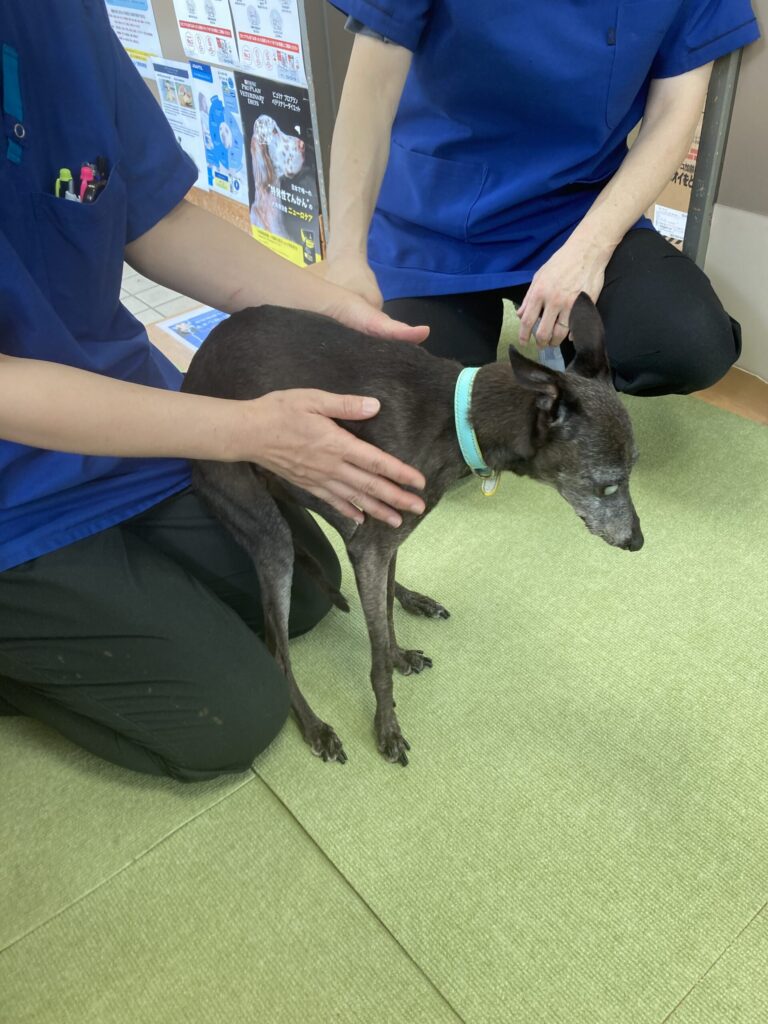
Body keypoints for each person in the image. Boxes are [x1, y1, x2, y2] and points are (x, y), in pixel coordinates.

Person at [0, 1, 430, 781]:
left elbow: (155, 218)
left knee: (306, 587)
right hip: (11, 477)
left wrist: (332, 308)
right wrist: (245, 430)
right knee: (231, 713)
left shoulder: (60, 18)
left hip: (116, 414)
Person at [319, 0, 760, 394]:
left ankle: (567, 361)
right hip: (433, 219)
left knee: (689, 342)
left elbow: (672, 112)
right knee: (412, 404)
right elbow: (371, 97)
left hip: (575, 210)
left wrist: (588, 251)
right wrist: (345, 257)